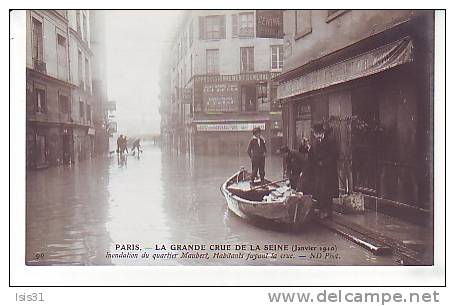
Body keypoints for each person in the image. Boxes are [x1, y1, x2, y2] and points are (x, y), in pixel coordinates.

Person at [311, 123, 339, 219]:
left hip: (328, 171)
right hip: (318, 171)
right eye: (315, 133)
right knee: (319, 190)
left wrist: (324, 162)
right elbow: (311, 156)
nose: (316, 136)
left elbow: (335, 155)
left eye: (317, 133)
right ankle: (321, 209)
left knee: (327, 191)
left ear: (321, 133)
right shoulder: (314, 142)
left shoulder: (330, 141)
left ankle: (328, 211)